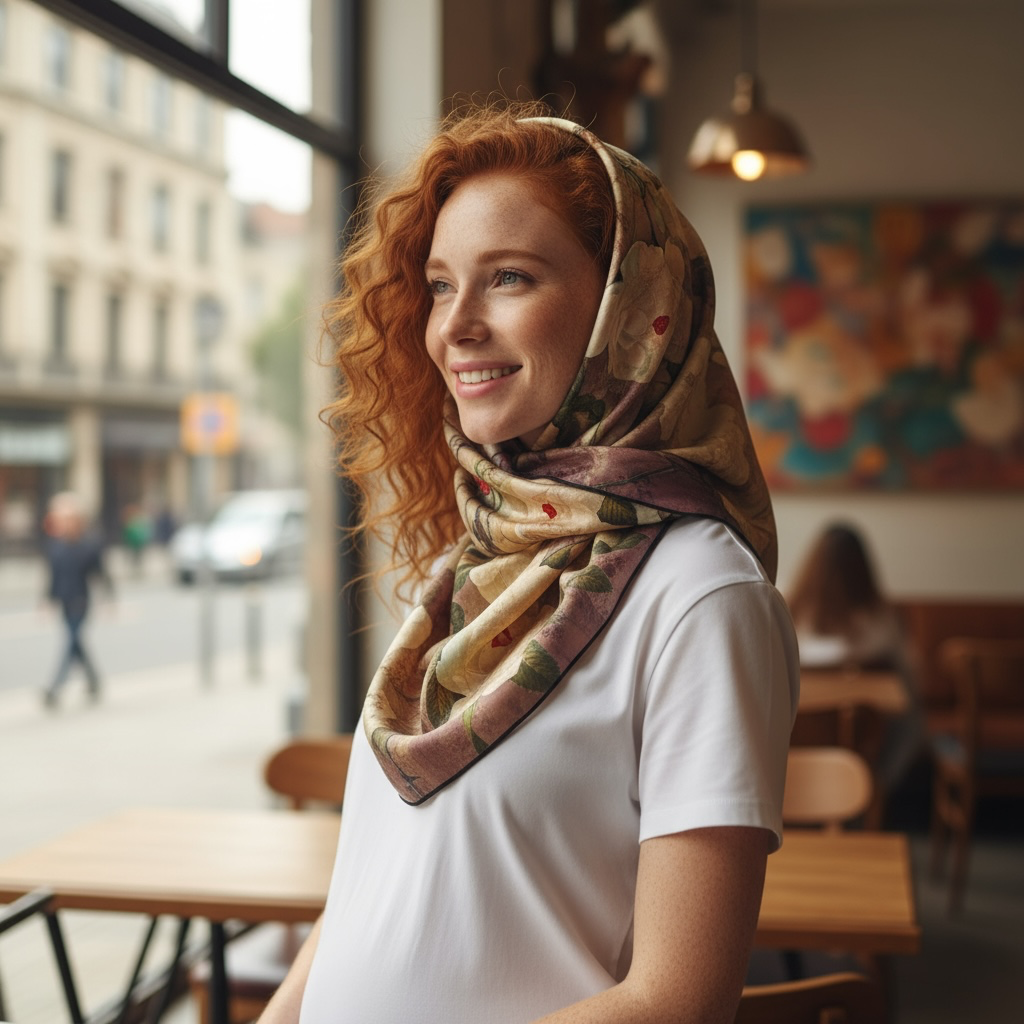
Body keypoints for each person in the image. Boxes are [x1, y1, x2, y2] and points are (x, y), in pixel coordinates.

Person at [260, 101, 799, 1024]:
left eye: (508, 277)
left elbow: (681, 999)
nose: (454, 325)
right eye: (437, 286)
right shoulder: (475, 567)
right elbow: (376, 887)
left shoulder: (701, 596)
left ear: (630, 313)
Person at [787, 521, 923, 792]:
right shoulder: (882, 623)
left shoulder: (790, 617)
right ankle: (875, 793)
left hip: (796, 752)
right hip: (866, 751)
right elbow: (912, 686)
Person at [41, 491, 113, 707]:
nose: (64, 523)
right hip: (64, 599)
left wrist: (110, 598)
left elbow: (101, 573)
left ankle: (55, 688)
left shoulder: (89, 544)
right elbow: (53, 576)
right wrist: (48, 600)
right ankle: (94, 680)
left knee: (71, 642)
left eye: (68, 518)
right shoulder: (56, 546)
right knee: (77, 643)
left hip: (80, 601)